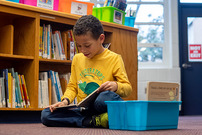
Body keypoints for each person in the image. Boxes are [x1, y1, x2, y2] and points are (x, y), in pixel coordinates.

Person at [41, 15, 132, 128]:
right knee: (46, 114)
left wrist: (115, 86)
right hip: (84, 109)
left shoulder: (114, 58)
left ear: (101, 39)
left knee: (104, 98)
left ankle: (94, 119)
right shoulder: (77, 59)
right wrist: (64, 101)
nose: (83, 50)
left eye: (87, 46)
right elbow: (72, 86)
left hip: (102, 104)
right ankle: (93, 121)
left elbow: (128, 88)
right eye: (79, 46)